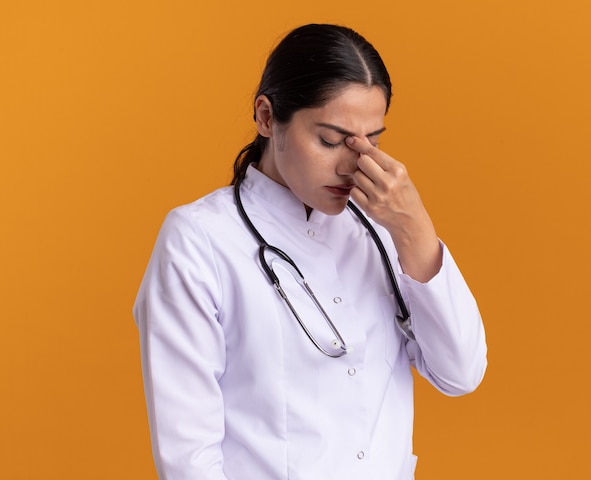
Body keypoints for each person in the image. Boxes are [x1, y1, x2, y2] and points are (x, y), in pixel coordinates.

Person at [133, 23, 487, 480]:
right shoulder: (199, 241)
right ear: (266, 117)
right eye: (330, 140)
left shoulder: (382, 231)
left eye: (371, 141)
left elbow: (460, 373)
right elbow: (188, 459)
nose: (352, 164)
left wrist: (415, 228)